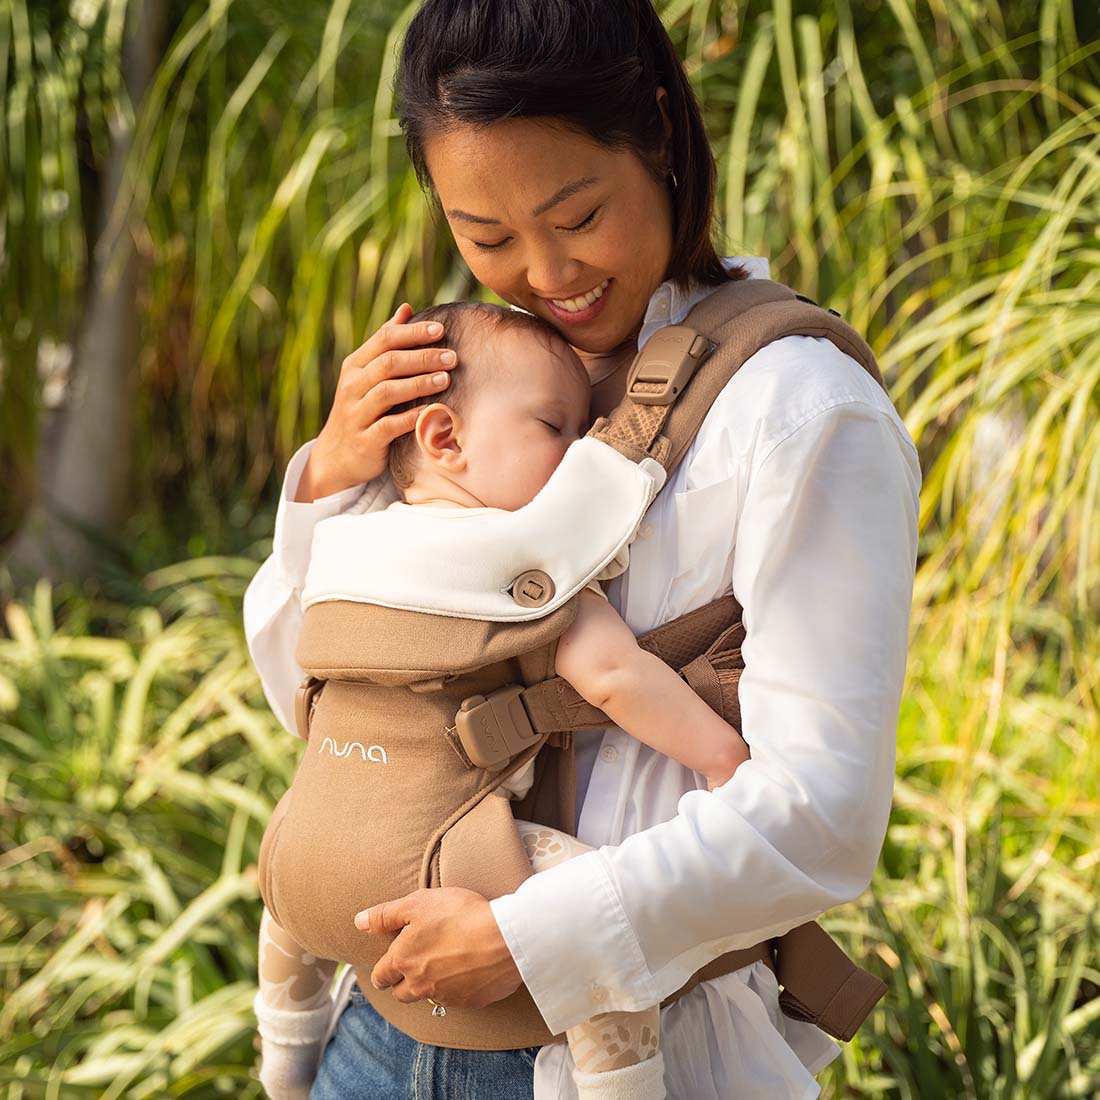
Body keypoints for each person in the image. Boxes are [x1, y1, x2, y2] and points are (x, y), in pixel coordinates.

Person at [242, 1, 921, 1096]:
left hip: (629, 1046)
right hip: (377, 1032)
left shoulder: (795, 409)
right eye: (487, 236)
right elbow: (308, 701)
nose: (545, 273)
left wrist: (534, 935)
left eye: (576, 213)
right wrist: (326, 478)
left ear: (655, 132)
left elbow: (821, 810)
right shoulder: (465, 388)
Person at [250, 301, 753, 1100]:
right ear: (444, 437)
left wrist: (322, 475)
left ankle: (283, 1056)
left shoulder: (338, 545)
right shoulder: (523, 565)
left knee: (286, 905)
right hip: (445, 857)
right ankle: (623, 1085)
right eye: (556, 426)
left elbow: (284, 646)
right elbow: (618, 677)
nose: (581, 449)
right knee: (593, 919)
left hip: (300, 850)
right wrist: (726, 759)